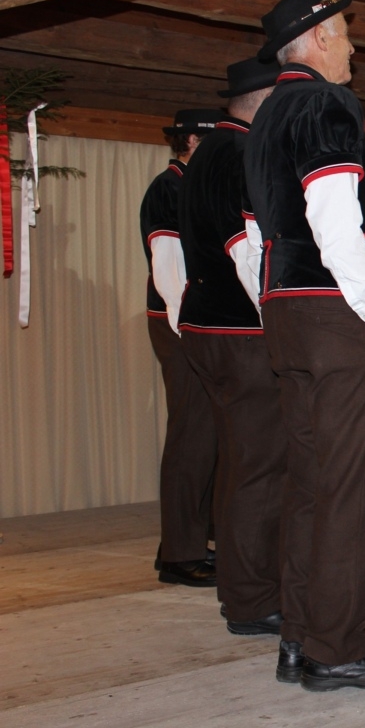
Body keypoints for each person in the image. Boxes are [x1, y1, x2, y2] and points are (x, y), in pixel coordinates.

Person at [244, 0, 365, 692]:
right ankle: (337, 645)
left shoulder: (263, 117)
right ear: (316, 38)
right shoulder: (326, 102)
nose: (352, 46)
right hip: (337, 312)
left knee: (311, 483)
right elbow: (334, 215)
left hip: (287, 312)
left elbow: (255, 233)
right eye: (344, 32)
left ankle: (299, 636)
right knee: (354, 488)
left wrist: (273, 308)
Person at [178, 57, 287, 633]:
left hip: (207, 325)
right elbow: (249, 253)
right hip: (241, 331)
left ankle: (242, 586)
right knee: (261, 468)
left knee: (240, 463)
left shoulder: (208, 153)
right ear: (265, 99)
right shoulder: (242, 152)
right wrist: (280, 320)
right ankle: (252, 599)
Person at [140, 107, 222, 587]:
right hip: (180, 322)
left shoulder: (193, 186)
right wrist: (184, 325)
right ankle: (179, 555)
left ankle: (186, 540)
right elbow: (168, 263)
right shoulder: (168, 188)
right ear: (190, 140)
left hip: (196, 322)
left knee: (207, 435)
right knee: (192, 436)